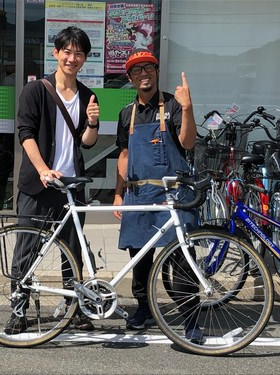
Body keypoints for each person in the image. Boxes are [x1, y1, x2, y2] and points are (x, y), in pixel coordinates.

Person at [5, 26, 100, 334]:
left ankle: (74, 308)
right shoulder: (36, 91)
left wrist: (94, 122)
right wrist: (44, 168)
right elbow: (25, 134)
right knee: (27, 248)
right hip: (39, 183)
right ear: (56, 53)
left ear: (85, 58)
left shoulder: (87, 94)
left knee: (73, 251)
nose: (72, 58)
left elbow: (86, 142)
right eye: (67, 52)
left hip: (71, 186)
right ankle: (18, 309)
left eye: (79, 53)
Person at [113, 48, 203, 343]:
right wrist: (118, 193)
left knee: (181, 259)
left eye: (148, 68)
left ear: (156, 72)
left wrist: (188, 108)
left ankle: (191, 319)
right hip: (138, 195)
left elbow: (187, 143)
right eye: (137, 70)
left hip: (172, 193)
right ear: (130, 77)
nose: (143, 74)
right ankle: (144, 308)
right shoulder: (127, 113)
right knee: (140, 258)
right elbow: (124, 154)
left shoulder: (175, 105)